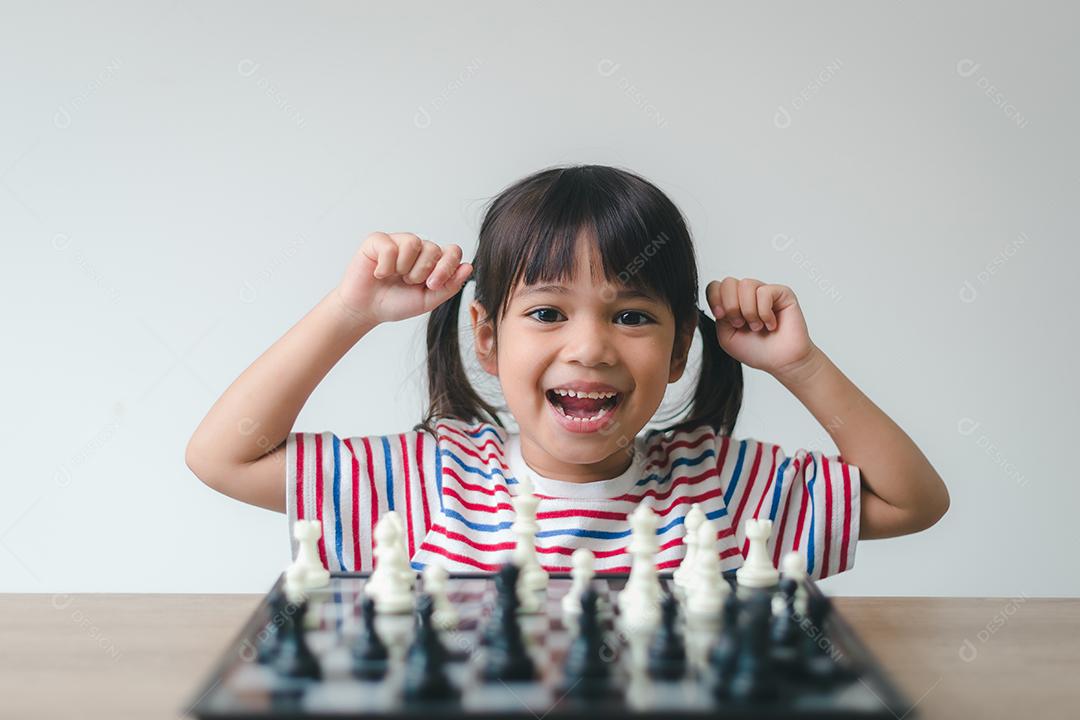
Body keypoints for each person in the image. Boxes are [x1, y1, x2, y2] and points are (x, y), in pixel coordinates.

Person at [185, 165, 948, 579]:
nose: (590, 348)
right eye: (548, 313)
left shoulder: (721, 487)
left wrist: (802, 366)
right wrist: (347, 312)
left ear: (683, 346)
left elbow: (914, 502)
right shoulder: (426, 480)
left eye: (633, 315)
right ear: (486, 338)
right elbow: (222, 456)